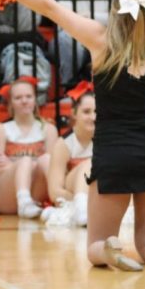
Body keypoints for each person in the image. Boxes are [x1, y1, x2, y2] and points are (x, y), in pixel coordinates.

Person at [9, 0, 145, 270]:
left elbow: (51, 8)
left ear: (115, 11)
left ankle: (109, 249)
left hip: (114, 152)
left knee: (94, 247)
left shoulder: (101, 41)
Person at [0, 78, 57, 217]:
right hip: (7, 194)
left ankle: (61, 203)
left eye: (28, 96)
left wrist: (15, 166)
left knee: (46, 159)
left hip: (37, 190)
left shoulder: (49, 129)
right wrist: (25, 166)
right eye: (18, 98)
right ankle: (24, 201)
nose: (24, 101)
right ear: (10, 103)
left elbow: (53, 168)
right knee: (25, 161)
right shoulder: (2, 129)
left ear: (35, 99)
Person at [45, 87, 93, 225]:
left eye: (96, 111)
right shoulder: (63, 144)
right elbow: (54, 192)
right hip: (72, 192)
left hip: (97, 195)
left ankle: (83, 207)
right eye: (86, 112)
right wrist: (79, 200)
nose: (93, 117)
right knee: (90, 163)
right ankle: (81, 207)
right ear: (73, 113)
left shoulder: (106, 140)